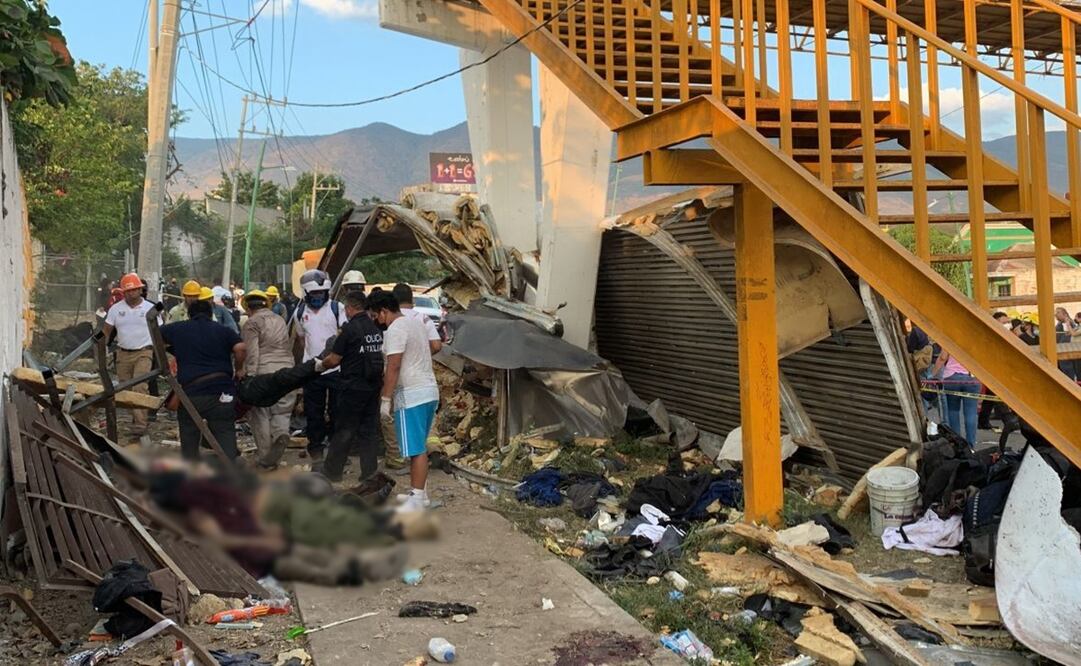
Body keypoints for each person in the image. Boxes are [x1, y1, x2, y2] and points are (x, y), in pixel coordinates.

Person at [370, 291, 439, 511]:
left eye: (376, 316)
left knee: (415, 450)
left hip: (411, 394)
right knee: (419, 445)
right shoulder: (416, 323)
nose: (377, 321)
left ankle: (417, 498)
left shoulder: (395, 329)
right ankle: (420, 494)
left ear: (384, 311)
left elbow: (394, 366)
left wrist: (385, 399)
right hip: (428, 390)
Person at [160, 299, 246, 461]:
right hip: (222, 392)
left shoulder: (178, 329)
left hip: (192, 393)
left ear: (189, 314)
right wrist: (239, 368)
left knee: (189, 430)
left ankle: (191, 466)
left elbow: (156, 335)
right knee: (224, 429)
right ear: (211, 314)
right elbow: (240, 348)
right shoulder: (223, 330)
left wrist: (176, 350)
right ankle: (229, 467)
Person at [317, 291, 385, 485]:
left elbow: (334, 359)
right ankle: (369, 473)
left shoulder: (349, 329)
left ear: (349, 308)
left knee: (345, 430)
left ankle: (332, 471)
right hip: (373, 386)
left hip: (353, 387)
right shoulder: (374, 328)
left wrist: (319, 365)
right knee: (369, 431)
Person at [293, 269, 348, 463]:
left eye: (321, 293)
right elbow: (302, 340)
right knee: (313, 412)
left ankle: (336, 451)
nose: (318, 297)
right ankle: (316, 448)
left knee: (337, 411)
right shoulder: (300, 312)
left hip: (336, 369)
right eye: (314, 294)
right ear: (306, 293)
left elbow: (344, 334)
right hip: (313, 370)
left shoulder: (337, 308)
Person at [241, 290, 297, 469]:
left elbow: (252, 353)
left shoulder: (252, 323)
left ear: (248, 308)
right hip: (287, 370)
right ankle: (281, 434)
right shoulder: (279, 320)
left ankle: (265, 457)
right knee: (282, 411)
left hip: (265, 370)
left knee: (261, 414)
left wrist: (249, 377)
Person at [102, 273, 161, 438]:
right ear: (123, 292)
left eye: (134, 290)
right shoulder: (116, 309)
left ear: (140, 290)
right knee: (125, 389)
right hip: (123, 353)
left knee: (140, 386)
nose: (131, 293)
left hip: (144, 352)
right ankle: (136, 419)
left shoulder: (150, 309)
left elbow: (159, 332)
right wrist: (99, 348)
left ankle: (140, 425)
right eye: (127, 291)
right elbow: (106, 331)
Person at [930, 347, 980, 446]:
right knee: (971, 413)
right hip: (972, 377)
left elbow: (943, 357)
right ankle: (971, 445)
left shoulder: (952, 338)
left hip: (952, 377)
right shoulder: (978, 340)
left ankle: (957, 444)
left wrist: (931, 375)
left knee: (953, 411)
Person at [392, 283, 442, 353]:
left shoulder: (390, 318)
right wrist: (423, 355)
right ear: (411, 299)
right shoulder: (424, 318)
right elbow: (436, 346)